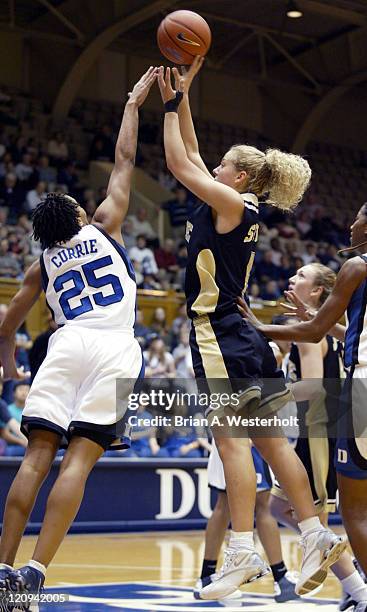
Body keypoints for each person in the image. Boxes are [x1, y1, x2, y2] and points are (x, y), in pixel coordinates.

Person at [157, 56, 345, 600]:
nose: (210, 169)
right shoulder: (238, 202)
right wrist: (186, 94)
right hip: (243, 334)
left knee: (233, 440)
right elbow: (191, 153)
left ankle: (241, 550)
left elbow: (176, 161)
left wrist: (169, 106)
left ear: (238, 176)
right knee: (270, 441)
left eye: (220, 166)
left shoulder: (231, 202)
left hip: (218, 332)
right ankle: (312, 532)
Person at [0, 66, 157, 603]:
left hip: (65, 344)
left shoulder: (40, 264)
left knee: (36, 458)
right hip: (114, 346)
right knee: (79, 461)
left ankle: (3, 570)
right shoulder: (104, 224)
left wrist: (8, 360)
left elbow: (8, 323)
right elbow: (125, 161)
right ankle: (38, 571)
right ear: (75, 215)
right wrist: (132, 107)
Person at [238, 202, 367, 607]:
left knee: (349, 511)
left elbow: (314, 340)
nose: (351, 223)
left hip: (334, 415)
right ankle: (353, 586)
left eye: (359, 216)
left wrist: (260, 327)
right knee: (292, 507)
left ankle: (359, 589)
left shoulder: (357, 266)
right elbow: (336, 328)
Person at [269, 263, 367, 611]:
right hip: (318, 427)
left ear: (316, 292)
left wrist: (268, 396)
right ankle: (354, 583)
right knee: (281, 507)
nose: (292, 278)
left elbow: (312, 386)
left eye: (300, 277)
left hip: (322, 429)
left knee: (316, 521)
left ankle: (358, 590)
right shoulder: (317, 324)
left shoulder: (312, 333)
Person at [195, 440, 300, 603]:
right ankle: (281, 577)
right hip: (245, 439)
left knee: (224, 505)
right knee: (263, 505)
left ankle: (206, 576)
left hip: (225, 437)